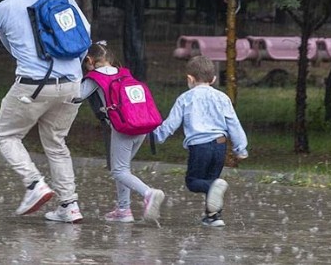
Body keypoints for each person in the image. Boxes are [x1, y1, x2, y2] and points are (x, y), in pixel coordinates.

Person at [0, 0, 89, 223]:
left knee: (5, 135)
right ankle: (69, 206)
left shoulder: (1, 10)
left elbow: (11, 48)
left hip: (33, 85)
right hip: (72, 84)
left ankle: (35, 184)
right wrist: (72, 70)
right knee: (57, 143)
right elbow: (84, 35)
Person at [72, 42, 165, 223]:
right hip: (141, 126)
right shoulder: (124, 73)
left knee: (119, 170)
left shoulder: (95, 77)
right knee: (123, 169)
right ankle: (123, 209)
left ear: (90, 60)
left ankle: (149, 193)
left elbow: (77, 96)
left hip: (123, 128)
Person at [152, 55, 248, 227]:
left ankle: (213, 198)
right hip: (220, 144)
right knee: (213, 181)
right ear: (214, 79)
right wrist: (241, 148)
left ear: (190, 78)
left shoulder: (185, 98)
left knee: (194, 182)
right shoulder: (222, 97)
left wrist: (156, 136)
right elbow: (233, 123)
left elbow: (171, 124)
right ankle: (213, 217)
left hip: (200, 147)